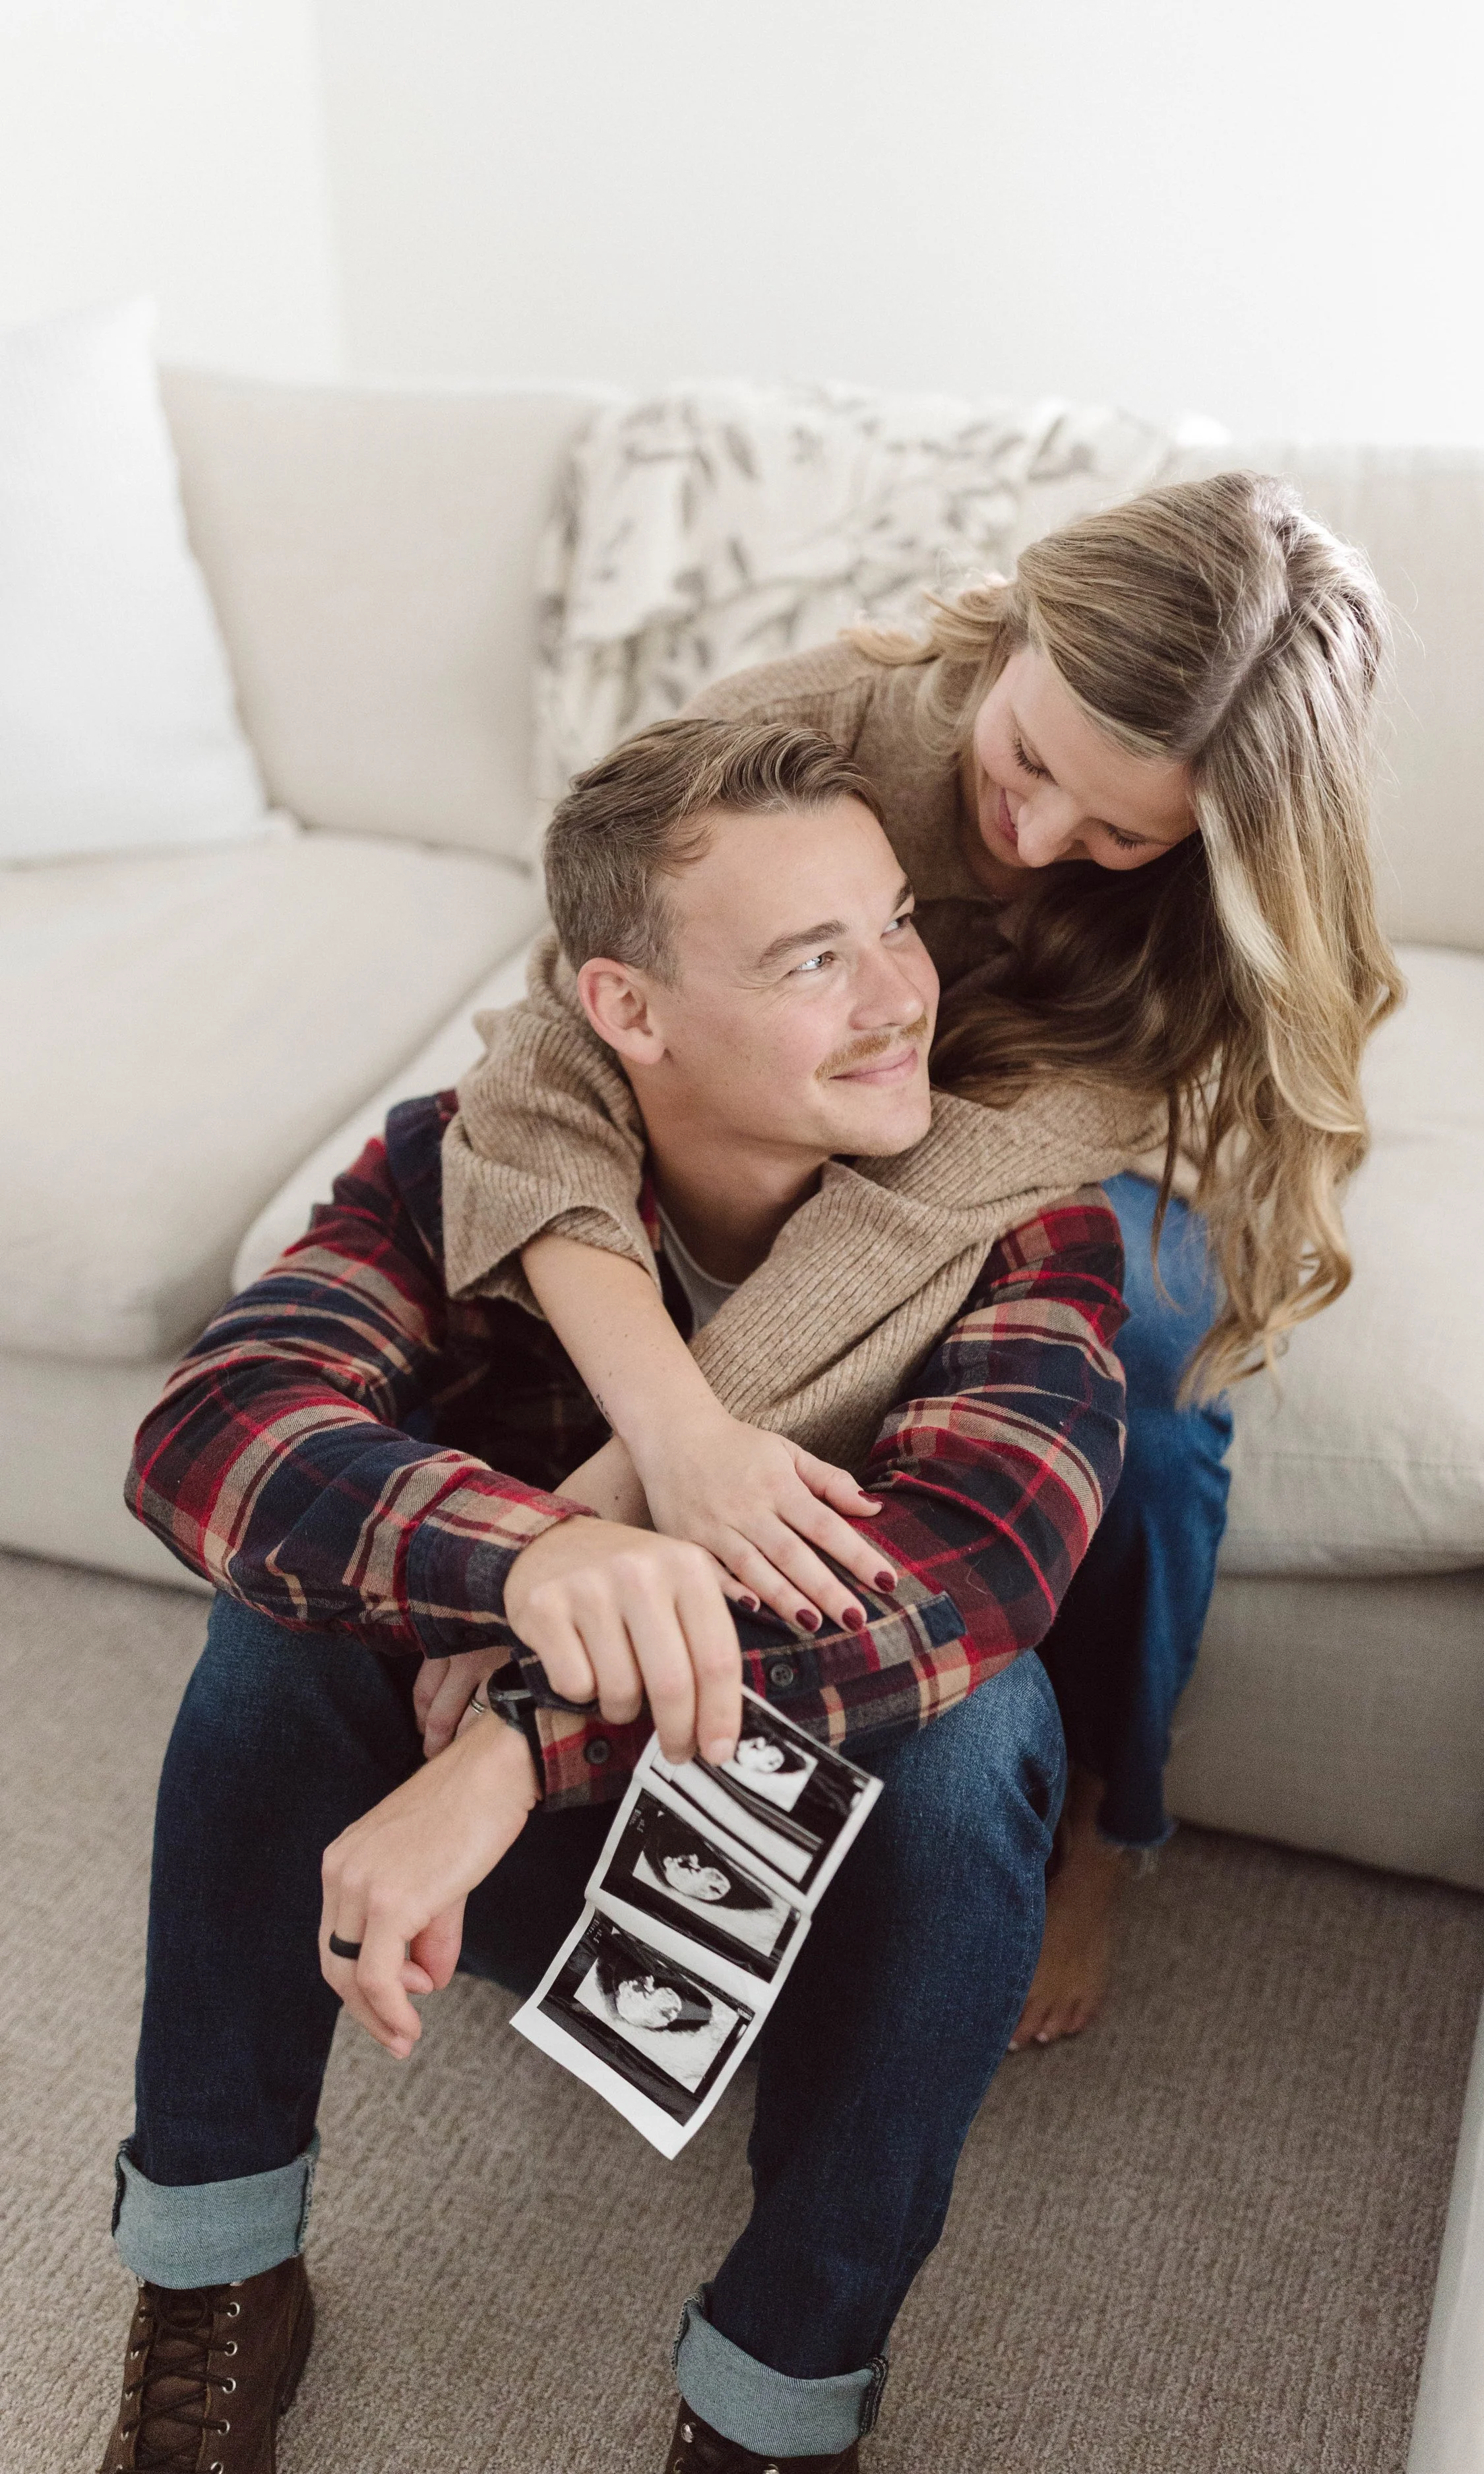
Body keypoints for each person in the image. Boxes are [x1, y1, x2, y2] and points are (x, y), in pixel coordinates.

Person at [100, 718, 1130, 2474]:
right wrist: (541, 1553)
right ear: (626, 1011)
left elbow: (971, 1570)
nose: (899, 995)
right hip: (506, 1893)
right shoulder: (458, 1159)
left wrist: (512, 1734)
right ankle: (215, 2279)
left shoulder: (1020, 1221)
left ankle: (772, 2402)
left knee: (984, 1722)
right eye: (817, 958)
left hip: (803, 1901)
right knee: (280, 1625)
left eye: (897, 923)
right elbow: (217, 1427)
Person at [442, 471, 1400, 2046]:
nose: (1036, 834)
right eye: (1027, 763)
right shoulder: (800, 727)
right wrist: (646, 1467)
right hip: (796, 1119)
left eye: (1115, 830)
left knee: (1147, 1403)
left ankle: (1095, 1818)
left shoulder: (1196, 924)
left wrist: (630, 1493)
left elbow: (910, 1217)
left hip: (1011, 1159)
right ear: (1013, 619)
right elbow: (543, 1077)